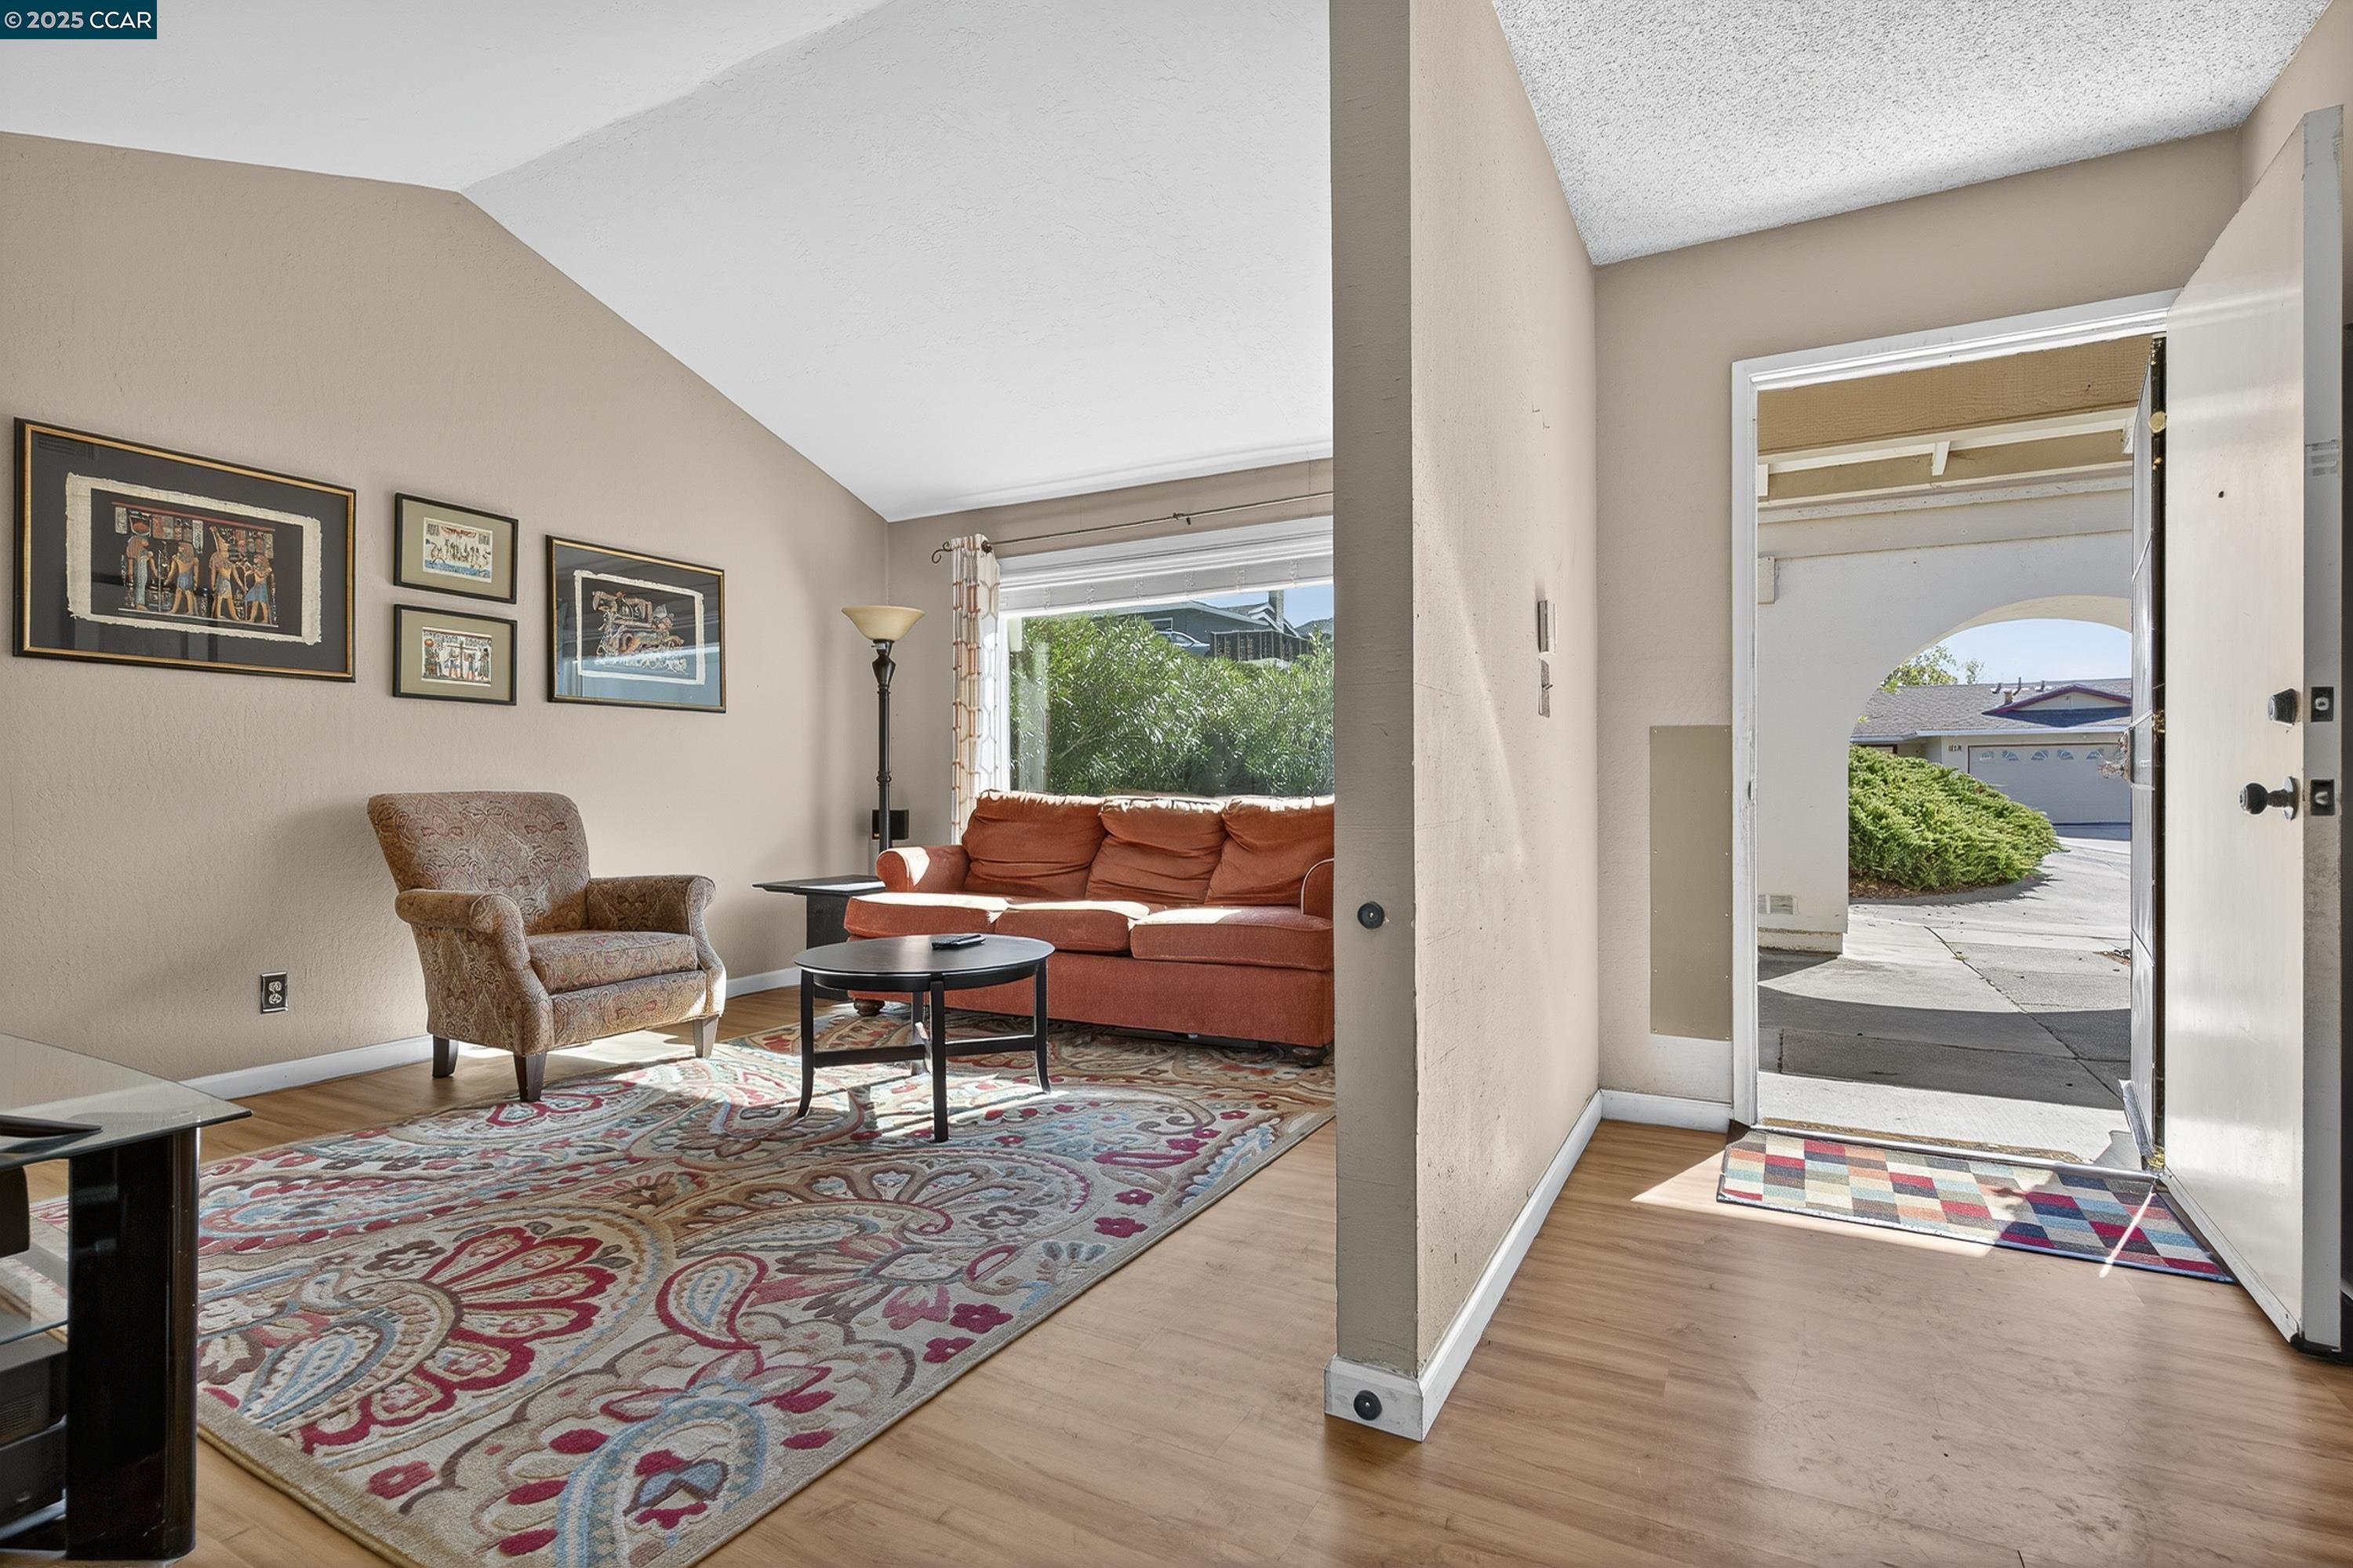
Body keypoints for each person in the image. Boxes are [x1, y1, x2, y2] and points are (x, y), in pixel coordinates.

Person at [166, 540, 199, 617]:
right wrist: (169, 578)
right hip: (181, 577)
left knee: (188, 592)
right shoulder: (176, 557)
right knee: (178, 591)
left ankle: (191, 611)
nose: (179, 548)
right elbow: (173, 570)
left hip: (188, 577)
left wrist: (196, 582)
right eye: (179, 546)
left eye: (181, 547)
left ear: (186, 548)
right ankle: (174, 610)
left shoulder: (194, 560)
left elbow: (196, 573)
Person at [122, 536, 152, 612]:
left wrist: (149, 555)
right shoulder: (134, 551)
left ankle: (140, 602)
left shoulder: (143, 551)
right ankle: (139, 603)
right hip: (139, 572)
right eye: (144, 540)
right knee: (139, 585)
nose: (147, 542)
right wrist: (130, 574)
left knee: (142, 585)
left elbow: (148, 557)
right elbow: (130, 564)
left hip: (143, 572)